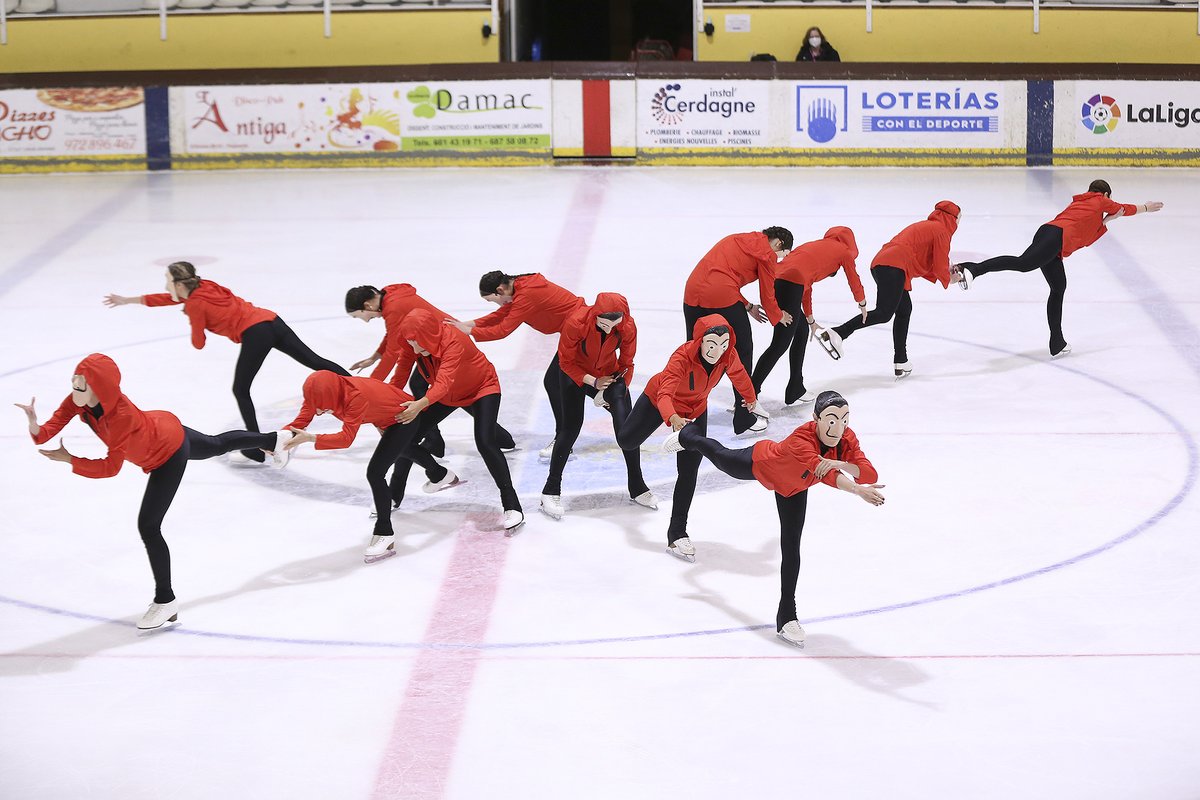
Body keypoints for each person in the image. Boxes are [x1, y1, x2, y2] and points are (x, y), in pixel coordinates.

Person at [16, 354, 293, 631]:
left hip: (166, 452)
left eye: (81, 383)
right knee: (216, 444)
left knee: (149, 526)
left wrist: (71, 460)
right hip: (163, 428)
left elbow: (111, 467)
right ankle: (274, 440)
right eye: (75, 380)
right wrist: (34, 423)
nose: (75, 386)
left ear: (99, 387)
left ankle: (165, 600)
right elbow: (44, 434)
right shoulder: (77, 402)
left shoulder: (120, 416)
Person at [664, 390, 883, 647]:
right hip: (763, 463)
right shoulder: (802, 439)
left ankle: (787, 616)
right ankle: (690, 436)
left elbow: (868, 472)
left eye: (845, 419)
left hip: (793, 487)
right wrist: (855, 488)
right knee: (721, 458)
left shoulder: (847, 437)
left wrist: (840, 464)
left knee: (791, 548)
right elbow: (828, 475)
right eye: (832, 419)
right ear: (816, 419)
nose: (839, 427)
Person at [104, 262, 348, 463]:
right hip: (271, 320)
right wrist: (128, 300)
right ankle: (361, 387)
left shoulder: (195, 304)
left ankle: (256, 446)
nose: (166, 285)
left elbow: (199, 343)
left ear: (179, 284)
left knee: (240, 389)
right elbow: (169, 298)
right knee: (314, 360)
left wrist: (191, 318)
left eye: (167, 280)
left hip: (255, 332)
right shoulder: (204, 286)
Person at [954, 180, 1165, 358]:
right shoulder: (1100, 199)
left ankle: (1057, 341)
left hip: (1053, 238)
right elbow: (1124, 208)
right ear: (1106, 193)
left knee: (1058, 287)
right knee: (1023, 264)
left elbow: (1086, 236)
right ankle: (973, 270)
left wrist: (1108, 219)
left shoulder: (1083, 205)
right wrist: (1145, 208)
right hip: (1055, 237)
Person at [616, 315, 763, 561]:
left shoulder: (728, 355)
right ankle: (617, 397)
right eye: (713, 344)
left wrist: (750, 397)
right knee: (626, 441)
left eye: (724, 344)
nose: (718, 351)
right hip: (659, 402)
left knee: (688, 470)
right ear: (701, 341)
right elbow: (665, 393)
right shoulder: (682, 356)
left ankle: (676, 534)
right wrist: (672, 418)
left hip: (695, 410)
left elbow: (739, 375)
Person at [344, 283, 515, 457]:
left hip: (443, 345)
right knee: (428, 386)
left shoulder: (393, 307)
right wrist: (375, 356)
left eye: (361, 316)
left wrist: (372, 388)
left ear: (367, 305)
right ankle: (490, 435)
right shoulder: (390, 297)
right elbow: (394, 336)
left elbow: (392, 354)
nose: (365, 320)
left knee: (450, 390)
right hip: (432, 344)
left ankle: (440, 438)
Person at [395, 308, 525, 533]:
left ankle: (512, 504)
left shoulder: (455, 341)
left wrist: (419, 404)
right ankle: (423, 481)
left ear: (429, 334)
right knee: (402, 437)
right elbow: (401, 372)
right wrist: (386, 401)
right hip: (447, 395)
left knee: (485, 441)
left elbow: (444, 382)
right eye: (411, 343)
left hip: (481, 388)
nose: (414, 348)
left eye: (417, 343)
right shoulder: (412, 341)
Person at [540, 292, 656, 520]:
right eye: (603, 324)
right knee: (570, 428)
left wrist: (615, 392)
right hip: (575, 376)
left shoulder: (628, 327)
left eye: (614, 326)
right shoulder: (576, 323)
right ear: (595, 316)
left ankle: (637, 486)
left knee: (627, 426)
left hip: (609, 375)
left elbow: (627, 363)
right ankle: (550, 491)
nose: (607, 330)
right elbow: (565, 363)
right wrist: (593, 382)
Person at [816, 201, 962, 379]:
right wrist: (951, 278)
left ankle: (901, 359)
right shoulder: (941, 231)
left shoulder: (929, 227)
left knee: (904, 309)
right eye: (958, 219)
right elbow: (939, 266)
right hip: (894, 265)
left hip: (886, 264)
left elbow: (924, 262)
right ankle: (839, 332)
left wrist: (945, 271)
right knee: (885, 313)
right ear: (951, 219)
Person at [448, 271, 586, 458]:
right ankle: (615, 405)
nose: (498, 304)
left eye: (493, 299)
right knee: (562, 382)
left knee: (554, 383)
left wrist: (471, 331)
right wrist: (468, 324)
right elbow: (503, 313)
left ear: (500, 289)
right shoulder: (521, 286)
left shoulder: (527, 295)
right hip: (579, 329)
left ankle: (564, 442)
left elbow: (503, 329)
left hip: (580, 332)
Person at [683, 227, 794, 433]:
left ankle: (683, 408)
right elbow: (767, 295)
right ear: (779, 243)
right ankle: (743, 415)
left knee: (694, 352)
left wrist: (747, 306)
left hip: (692, 292)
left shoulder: (738, 238)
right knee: (741, 351)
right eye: (782, 255)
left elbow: (721, 274)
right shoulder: (767, 254)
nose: (778, 258)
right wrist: (779, 316)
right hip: (721, 295)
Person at [751, 227, 865, 405]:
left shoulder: (814, 247)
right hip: (790, 284)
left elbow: (806, 285)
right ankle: (749, 395)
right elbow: (853, 278)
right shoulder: (844, 252)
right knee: (779, 345)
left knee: (801, 330)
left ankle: (795, 387)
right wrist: (862, 303)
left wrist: (810, 320)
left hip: (780, 281)